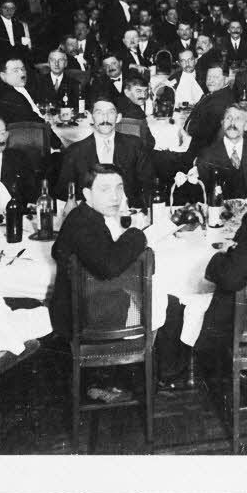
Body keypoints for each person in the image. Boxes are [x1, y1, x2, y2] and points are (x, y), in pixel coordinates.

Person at [155, 154, 247, 387]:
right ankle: (177, 370)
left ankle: (174, 374)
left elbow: (231, 277)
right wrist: (236, 249)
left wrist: (215, 260)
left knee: (174, 293)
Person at [49, 165, 149, 404]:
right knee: (161, 305)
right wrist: (137, 233)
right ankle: (147, 377)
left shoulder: (84, 216)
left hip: (84, 307)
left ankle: (121, 376)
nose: (115, 196)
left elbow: (58, 250)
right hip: (87, 319)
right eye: (105, 190)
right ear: (87, 194)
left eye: (119, 188)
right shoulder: (84, 224)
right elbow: (109, 266)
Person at [58, 98, 156, 207]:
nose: (105, 118)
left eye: (111, 112)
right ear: (90, 117)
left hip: (127, 213)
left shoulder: (135, 145)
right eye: (99, 113)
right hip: (91, 217)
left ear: (118, 117)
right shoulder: (75, 151)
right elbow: (64, 194)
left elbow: (148, 184)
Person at [197, 106, 247, 200]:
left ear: (246, 126)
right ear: (222, 123)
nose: (232, 123)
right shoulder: (207, 155)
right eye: (228, 118)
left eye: (238, 119)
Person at [184, 65, 237, 153]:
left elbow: (201, 132)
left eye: (215, 77)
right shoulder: (215, 94)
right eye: (209, 77)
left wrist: (187, 126)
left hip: (201, 152)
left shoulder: (220, 102)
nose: (210, 80)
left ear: (226, 80)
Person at [0, 54, 43, 124]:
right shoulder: (10, 96)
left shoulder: (20, 88)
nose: (22, 73)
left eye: (23, 69)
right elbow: (33, 122)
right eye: (15, 70)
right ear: (3, 76)